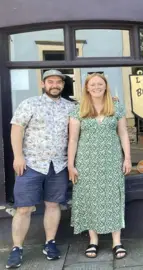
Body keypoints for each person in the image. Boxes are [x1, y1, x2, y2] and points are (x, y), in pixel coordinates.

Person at [6, 70, 75, 269]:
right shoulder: (30, 104)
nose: (55, 85)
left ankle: (50, 243)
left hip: (58, 165)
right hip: (31, 165)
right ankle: (17, 248)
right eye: (51, 81)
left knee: (53, 205)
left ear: (62, 85)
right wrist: (18, 156)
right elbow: (16, 129)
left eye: (58, 82)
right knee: (24, 208)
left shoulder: (70, 107)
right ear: (43, 84)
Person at [67, 73, 131, 259]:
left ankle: (116, 241)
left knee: (113, 197)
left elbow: (124, 134)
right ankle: (93, 241)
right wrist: (71, 164)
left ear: (105, 86)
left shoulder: (116, 106)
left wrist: (127, 158)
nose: (96, 87)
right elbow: (72, 139)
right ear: (87, 88)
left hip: (111, 161)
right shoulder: (78, 109)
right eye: (92, 84)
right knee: (90, 199)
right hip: (86, 163)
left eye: (100, 84)